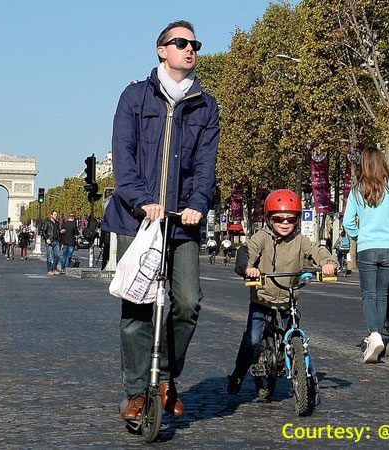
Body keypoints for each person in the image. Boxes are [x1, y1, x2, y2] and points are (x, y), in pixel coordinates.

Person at [101, 20, 219, 421]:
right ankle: (136, 392)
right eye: (181, 42)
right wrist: (141, 200)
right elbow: (123, 156)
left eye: (195, 44)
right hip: (137, 219)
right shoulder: (134, 97)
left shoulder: (206, 105)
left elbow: (206, 165)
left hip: (182, 221)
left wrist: (198, 203)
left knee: (188, 302)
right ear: (161, 50)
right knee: (137, 307)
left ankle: (165, 377)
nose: (190, 49)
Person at [227, 189, 337, 396]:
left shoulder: (301, 240)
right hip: (263, 298)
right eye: (279, 219)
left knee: (296, 335)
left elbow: (318, 251)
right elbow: (246, 251)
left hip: (289, 299)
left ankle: (303, 373)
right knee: (252, 340)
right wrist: (248, 268)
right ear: (269, 219)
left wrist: (329, 263)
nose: (285, 223)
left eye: (291, 219)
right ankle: (238, 372)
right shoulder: (262, 237)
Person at [343, 147, 389, 363]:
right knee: (382, 296)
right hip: (388, 247)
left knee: (368, 295)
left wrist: (359, 235)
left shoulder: (357, 191)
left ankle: (374, 334)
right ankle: (378, 337)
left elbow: (347, 222)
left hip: (366, 248)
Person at [43, 210, 61, 275]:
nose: (56, 216)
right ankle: (50, 270)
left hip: (56, 241)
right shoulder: (47, 222)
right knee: (49, 256)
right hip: (50, 241)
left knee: (57, 255)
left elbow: (58, 231)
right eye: (54, 214)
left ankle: (54, 268)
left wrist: (61, 232)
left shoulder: (57, 223)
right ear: (51, 215)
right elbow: (44, 231)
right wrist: (47, 239)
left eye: (56, 214)